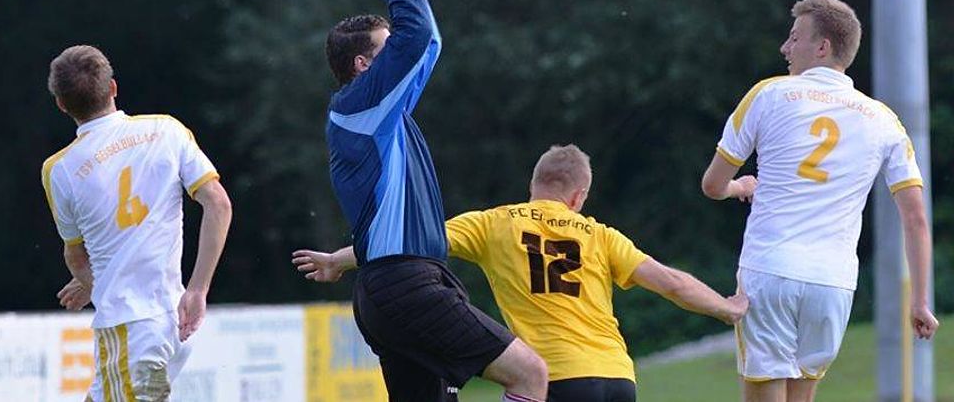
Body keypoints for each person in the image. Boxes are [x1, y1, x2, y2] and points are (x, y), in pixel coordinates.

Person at [295, 144, 749, 402]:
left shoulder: (496, 223)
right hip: (617, 380)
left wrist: (339, 260)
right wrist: (727, 308)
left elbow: (408, 240)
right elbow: (672, 282)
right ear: (579, 195)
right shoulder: (599, 234)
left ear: (534, 185)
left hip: (557, 380)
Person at [321, 0, 547, 402]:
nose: (399, 50)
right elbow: (418, 34)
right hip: (407, 286)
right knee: (530, 373)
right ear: (363, 65)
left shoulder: (380, 114)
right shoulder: (361, 105)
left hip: (395, 286)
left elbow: (428, 42)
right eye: (387, 46)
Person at [700, 0, 939, 402]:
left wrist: (740, 187)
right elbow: (916, 218)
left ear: (822, 46)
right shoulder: (884, 120)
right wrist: (919, 300)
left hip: (770, 270)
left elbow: (712, 184)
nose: (785, 48)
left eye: (794, 38)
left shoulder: (769, 93)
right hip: (832, 282)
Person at [42, 44, 232, 401]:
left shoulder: (59, 169)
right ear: (113, 87)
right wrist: (198, 289)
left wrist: (93, 282)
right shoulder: (167, 130)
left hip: (130, 327)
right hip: (173, 317)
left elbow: (77, 257)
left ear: (61, 105)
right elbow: (218, 204)